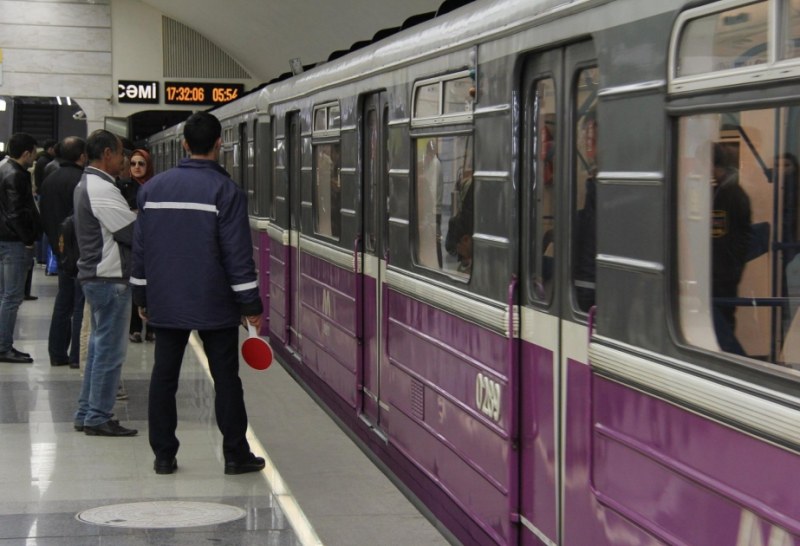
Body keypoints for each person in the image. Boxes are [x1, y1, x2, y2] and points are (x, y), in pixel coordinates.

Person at [131, 111, 265, 476]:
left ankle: (163, 455)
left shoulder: (151, 190)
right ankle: (235, 454)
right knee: (226, 379)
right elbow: (237, 255)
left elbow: (140, 251)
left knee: (164, 377)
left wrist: (141, 297)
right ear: (220, 144)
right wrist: (250, 305)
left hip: (167, 300)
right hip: (214, 302)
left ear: (185, 145)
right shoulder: (227, 192)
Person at [72, 130, 138, 437]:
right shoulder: (101, 188)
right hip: (109, 278)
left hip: (97, 277)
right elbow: (130, 233)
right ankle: (98, 416)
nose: (125, 159)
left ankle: (86, 411)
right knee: (110, 353)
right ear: (108, 154)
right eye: (122, 153)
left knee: (99, 350)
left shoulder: (90, 184)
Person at [38, 137, 87, 369]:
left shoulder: (50, 179)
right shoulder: (81, 180)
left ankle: (56, 352)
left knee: (63, 302)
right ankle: (77, 354)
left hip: (59, 249)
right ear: (82, 156)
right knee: (79, 303)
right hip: (78, 251)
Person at [0, 133, 41, 363]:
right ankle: (4, 346)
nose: (35, 157)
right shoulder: (16, 175)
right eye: (34, 152)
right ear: (26, 153)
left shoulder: (2, 167)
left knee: (4, 296)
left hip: (2, 239)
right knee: (12, 297)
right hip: (13, 241)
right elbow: (16, 212)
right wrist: (28, 239)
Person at [711, 143, 751, 355]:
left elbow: (726, 238)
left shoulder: (730, 195)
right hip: (722, 273)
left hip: (722, 276)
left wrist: (728, 272)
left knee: (723, 325)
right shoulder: (722, 191)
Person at [118, 148, 154, 343]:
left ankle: (152, 327)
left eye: (141, 164)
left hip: (153, 243)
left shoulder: (155, 186)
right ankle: (135, 328)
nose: (137, 167)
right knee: (136, 285)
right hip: (133, 243)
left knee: (153, 285)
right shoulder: (123, 187)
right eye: (133, 164)